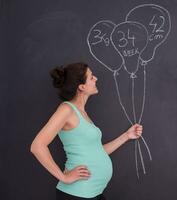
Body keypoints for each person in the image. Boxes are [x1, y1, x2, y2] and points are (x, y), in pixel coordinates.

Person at [30, 62, 143, 200]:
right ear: (81, 87)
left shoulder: (82, 113)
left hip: (93, 193)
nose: (96, 79)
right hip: (77, 194)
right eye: (91, 77)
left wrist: (127, 136)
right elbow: (37, 146)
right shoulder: (66, 110)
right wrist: (64, 177)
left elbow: (95, 152)